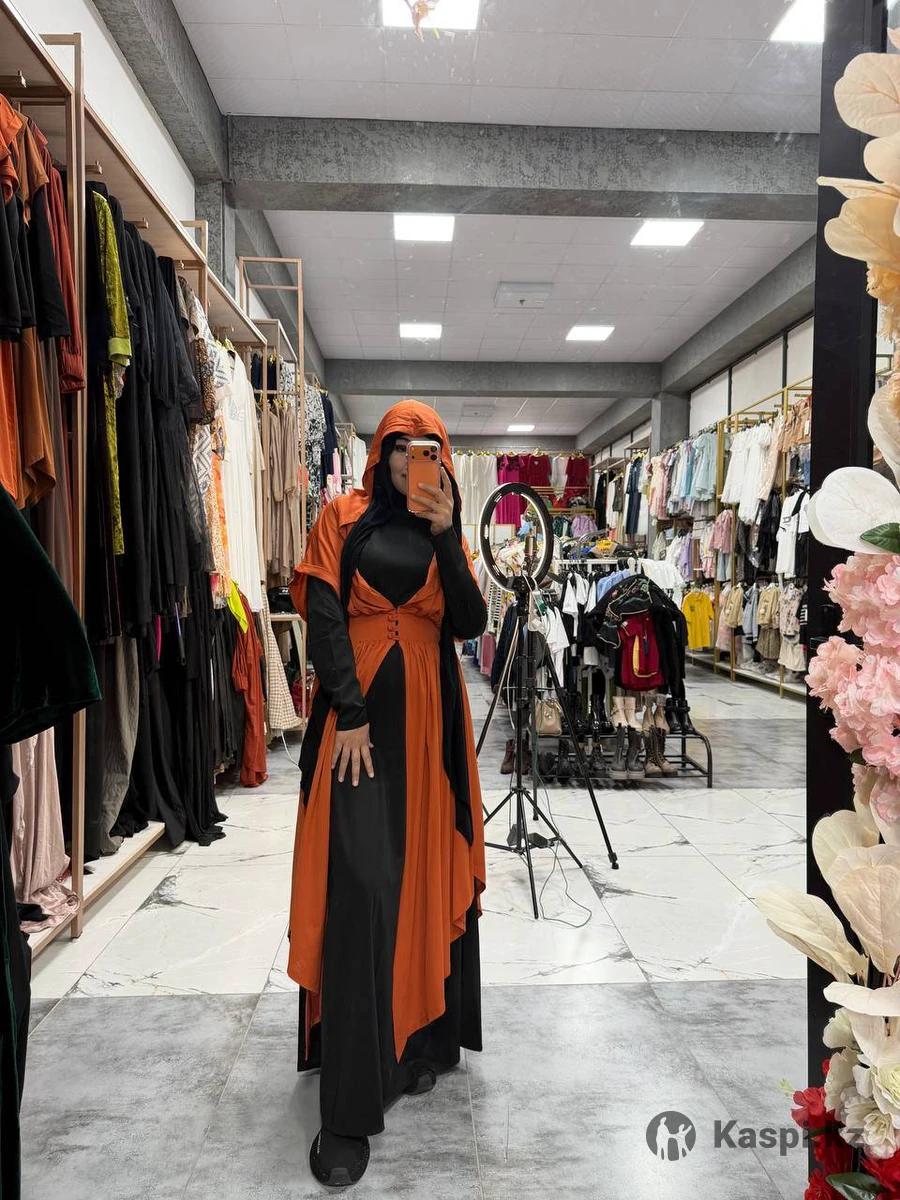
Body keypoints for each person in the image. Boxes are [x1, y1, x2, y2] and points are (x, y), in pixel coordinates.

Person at [287, 399, 488, 1187]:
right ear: (380, 452)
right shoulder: (341, 517)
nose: (414, 457)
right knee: (363, 892)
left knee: (424, 882)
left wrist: (447, 535)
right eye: (402, 445)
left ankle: (414, 1043)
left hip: (432, 734)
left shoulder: (444, 526)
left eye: (428, 445)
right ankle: (347, 1108)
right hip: (359, 732)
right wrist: (350, 711)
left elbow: (467, 622)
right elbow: (323, 616)